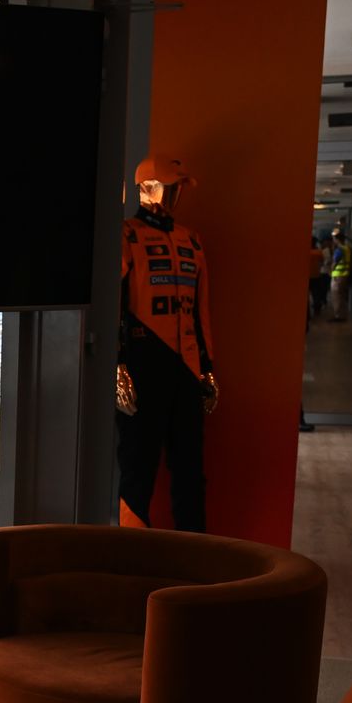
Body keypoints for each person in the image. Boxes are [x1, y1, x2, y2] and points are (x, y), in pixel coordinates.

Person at [116, 153, 217, 533]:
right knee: (137, 469)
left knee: (190, 470)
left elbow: (200, 309)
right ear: (147, 187)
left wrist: (208, 367)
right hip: (143, 366)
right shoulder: (125, 235)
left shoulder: (191, 239)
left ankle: (193, 551)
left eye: (179, 189)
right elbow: (113, 305)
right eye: (170, 187)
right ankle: (130, 552)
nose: (176, 195)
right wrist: (117, 365)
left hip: (187, 369)